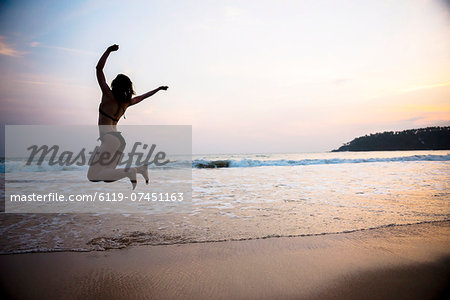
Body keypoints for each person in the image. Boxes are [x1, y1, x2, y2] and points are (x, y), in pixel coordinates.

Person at [87, 44, 168, 189]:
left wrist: (108, 51)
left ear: (115, 85)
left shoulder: (108, 95)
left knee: (92, 176)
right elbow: (143, 97)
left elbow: (99, 69)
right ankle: (139, 169)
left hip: (109, 139)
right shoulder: (127, 102)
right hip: (120, 141)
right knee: (107, 176)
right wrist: (158, 89)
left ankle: (131, 171)